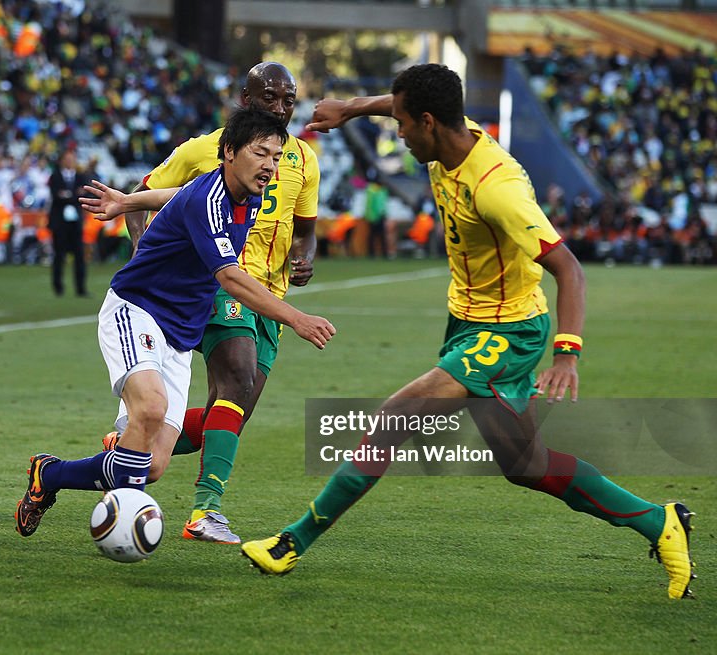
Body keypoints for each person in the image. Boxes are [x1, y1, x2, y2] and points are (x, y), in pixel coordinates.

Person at [240, 64, 695, 601]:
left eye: (405, 126)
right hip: (469, 323)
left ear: (429, 123)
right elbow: (399, 101)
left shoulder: (497, 187)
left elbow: (569, 268)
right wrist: (354, 107)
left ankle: (291, 543)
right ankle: (657, 520)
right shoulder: (446, 134)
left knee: (393, 417)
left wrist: (566, 355)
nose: (401, 135)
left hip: (509, 332)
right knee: (526, 465)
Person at [14, 108, 335, 539]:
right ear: (229, 152)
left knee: (153, 465)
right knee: (151, 408)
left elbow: (177, 195)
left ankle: (48, 476)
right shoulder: (212, 200)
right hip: (137, 308)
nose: (270, 165)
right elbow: (230, 278)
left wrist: (128, 201)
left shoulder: (247, 194)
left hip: (179, 334)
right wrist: (297, 318)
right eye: (261, 154)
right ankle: (122, 530)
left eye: (276, 156)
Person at [110, 62, 321, 544]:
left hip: (271, 292)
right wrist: (146, 247)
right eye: (271, 97)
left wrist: (303, 258)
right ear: (246, 100)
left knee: (234, 409)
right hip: (224, 285)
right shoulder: (206, 149)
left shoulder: (303, 158)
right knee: (237, 378)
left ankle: (125, 447)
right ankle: (206, 509)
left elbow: (306, 230)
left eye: (289, 100)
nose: (282, 108)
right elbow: (147, 194)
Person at [48, 149, 90, 297]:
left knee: (79, 255)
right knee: (59, 255)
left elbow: (83, 196)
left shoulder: (80, 176)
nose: (70, 161)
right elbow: (57, 196)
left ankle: (81, 288)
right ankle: (58, 288)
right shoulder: (55, 176)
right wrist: (74, 194)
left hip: (75, 222)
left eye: (72, 158)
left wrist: (67, 195)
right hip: (59, 223)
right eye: (67, 158)